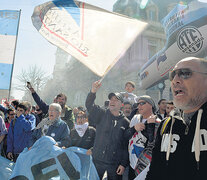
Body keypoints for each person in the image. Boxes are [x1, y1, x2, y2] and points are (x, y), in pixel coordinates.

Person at [146, 57, 207, 180]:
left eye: (185, 73)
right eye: (172, 75)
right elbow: (155, 171)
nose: (175, 80)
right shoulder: (166, 125)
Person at [85, 80, 130, 180]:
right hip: (97, 161)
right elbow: (89, 105)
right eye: (111, 99)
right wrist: (93, 91)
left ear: (121, 104)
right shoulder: (101, 114)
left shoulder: (125, 122)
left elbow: (125, 145)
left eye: (116, 100)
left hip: (115, 164)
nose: (112, 101)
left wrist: (123, 164)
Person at [126, 95, 160, 179]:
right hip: (132, 162)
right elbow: (125, 136)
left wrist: (150, 126)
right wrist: (134, 128)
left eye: (142, 103)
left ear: (151, 105)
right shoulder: (135, 118)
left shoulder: (158, 122)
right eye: (138, 104)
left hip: (146, 165)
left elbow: (153, 144)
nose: (139, 106)